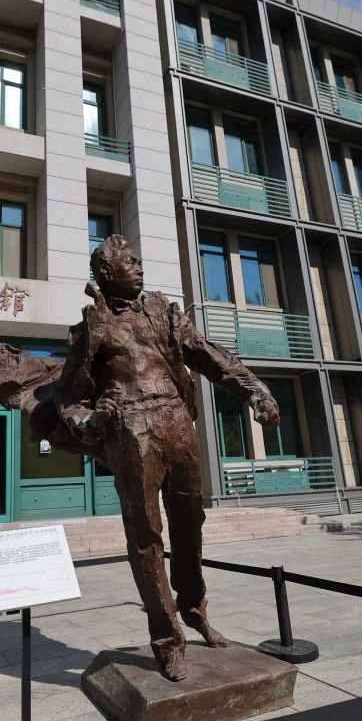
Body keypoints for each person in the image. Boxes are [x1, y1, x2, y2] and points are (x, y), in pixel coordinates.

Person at [51, 235, 280, 680]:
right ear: (107, 273)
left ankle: (194, 610)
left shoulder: (163, 311)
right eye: (129, 262)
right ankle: (166, 637)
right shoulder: (91, 327)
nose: (139, 266)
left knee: (190, 524)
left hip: (176, 422)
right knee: (146, 536)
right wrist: (89, 419)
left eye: (138, 260)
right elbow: (66, 397)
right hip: (130, 428)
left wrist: (255, 390)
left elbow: (210, 356)